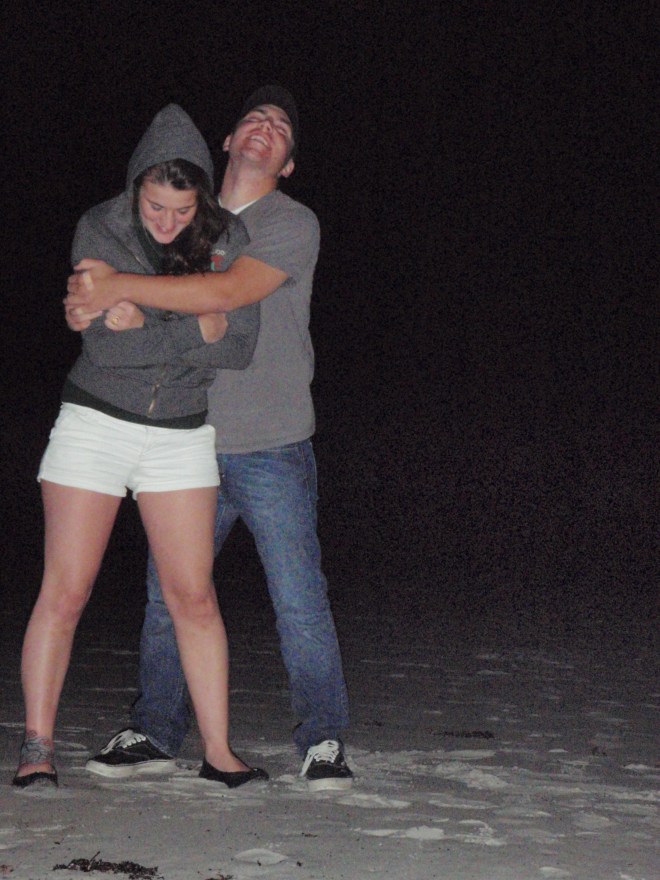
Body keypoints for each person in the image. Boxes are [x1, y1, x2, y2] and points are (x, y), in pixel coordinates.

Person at [66, 86, 352, 791]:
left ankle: (323, 739)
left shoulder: (293, 223)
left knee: (298, 595)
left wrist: (117, 287)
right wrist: (92, 301)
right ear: (224, 141)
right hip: (182, 436)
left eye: (281, 127)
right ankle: (155, 731)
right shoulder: (176, 215)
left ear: (287, 163)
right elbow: (110, 307)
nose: (265, 128)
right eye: (254, 118)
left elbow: (223, 297)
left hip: (274, 439)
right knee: (172, 593)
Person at [13, 104, 268, 790]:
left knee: (196, 597)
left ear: (203, 200)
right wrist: (200, 318)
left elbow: (241, 346)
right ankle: (37, 748)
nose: (166, 222)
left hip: (181, 432)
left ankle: (218, 751)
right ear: (136, 188)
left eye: (182, 210)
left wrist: (146, 314)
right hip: (95, 421)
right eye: (156, 206)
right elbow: (105, 345)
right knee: (66, 593)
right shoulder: (99, 226)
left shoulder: (230, 237)